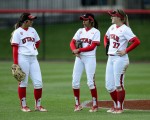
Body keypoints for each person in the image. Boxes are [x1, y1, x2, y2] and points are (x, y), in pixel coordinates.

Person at [104, 9, 140, 113]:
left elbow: (136, 41)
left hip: (120, 59)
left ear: (119, 17)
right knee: (109, 86)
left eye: (113, 16)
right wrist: (106, 44)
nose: (111, 17)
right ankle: (115, 105)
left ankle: (119, 107)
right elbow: (106, 37)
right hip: (111, 58)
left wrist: (126, 50)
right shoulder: (111, 27)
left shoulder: (125, 29)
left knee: (118, 85)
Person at [10, 13, 47, 112]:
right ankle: (24, 105)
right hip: (23, 58)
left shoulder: (33, 30)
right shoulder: (18, 32)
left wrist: (32, 48)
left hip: (33, 58)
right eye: (31, 20)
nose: (32, 21)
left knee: (38, 82)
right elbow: (15, 48)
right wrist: (16, 64)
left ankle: (38, 106)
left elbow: (38, 42)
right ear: (25, 21)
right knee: (23, 82)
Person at [70, 13, 100, 112]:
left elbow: (92, 47)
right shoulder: (80, 31)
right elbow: (72, 43)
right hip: (79, 58)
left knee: (90, 82)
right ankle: (77, 105)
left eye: (85, 19)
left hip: (90, 58)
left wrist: (79, 50)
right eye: (82, 19)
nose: (83, 21)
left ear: (91, 20)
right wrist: (75, 50)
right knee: (75, 82)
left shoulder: (96, 32)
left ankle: (95, 105)